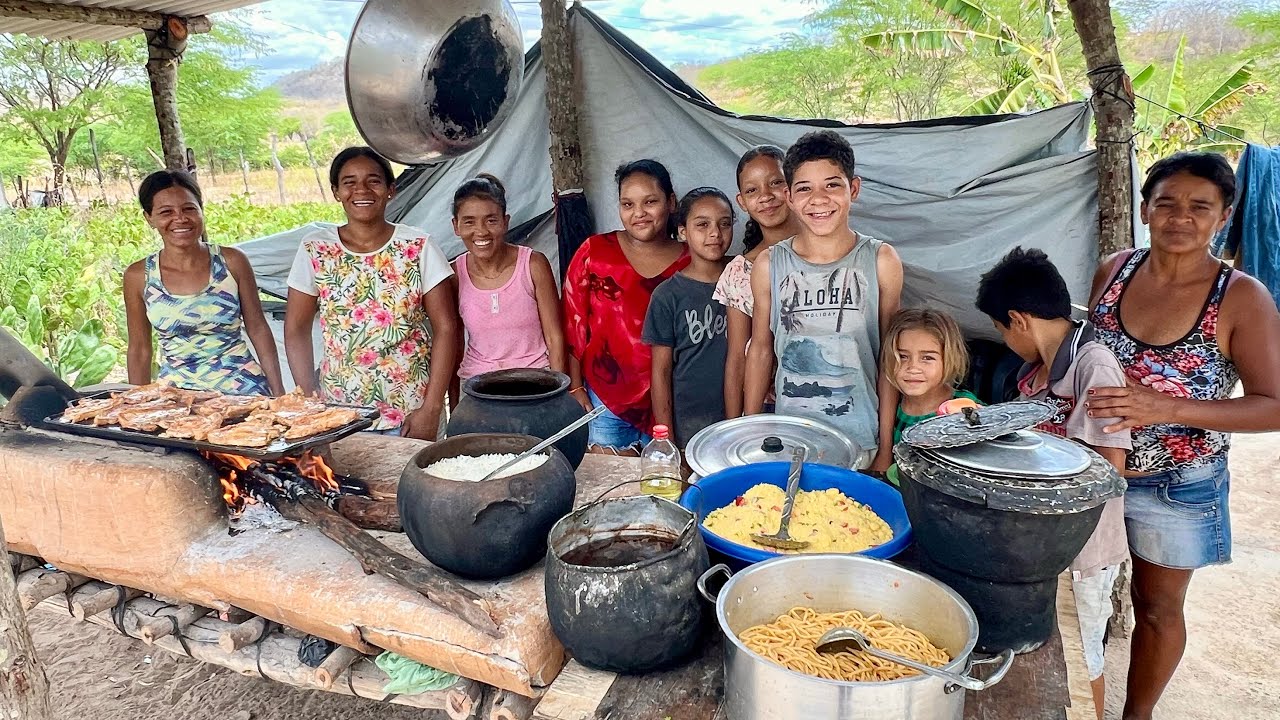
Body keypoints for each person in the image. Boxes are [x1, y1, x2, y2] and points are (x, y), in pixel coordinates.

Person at [1083, 152, 1280, 720]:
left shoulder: (1240, 298)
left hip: (1179, 483)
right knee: (1080, 593)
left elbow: (1274, 405)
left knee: (1158, 607)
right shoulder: (1114, 272)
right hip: (1098, 470)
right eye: (1166, 203)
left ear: (1223, 217)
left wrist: (1164, 405)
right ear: (1145, 208)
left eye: (1200, 206)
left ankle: (1136, 715)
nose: (1179, 217)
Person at [977, 247, 1132, 720]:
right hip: (1042, 543)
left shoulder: (1093, 366)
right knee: (1056, 643)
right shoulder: (1035, 374)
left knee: (1084, 654)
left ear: (1019, 320)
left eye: (1002, 330)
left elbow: (1107, 468)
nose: (1005, 342)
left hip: (1082, 548)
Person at [743, 130, 903, 469]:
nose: (819, 199)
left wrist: (886, 447)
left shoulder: (880, 260)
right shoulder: (770, 265)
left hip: (863, 441)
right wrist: (749, 430)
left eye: (832, 185)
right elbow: (760, 349)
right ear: (789, 196)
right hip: (791, 444)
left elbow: (890, 360)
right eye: (804, 188)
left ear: (853, 189)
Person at [284, 146, 460, 439]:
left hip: (410, 412)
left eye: (373, 180)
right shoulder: (316, 249)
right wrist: (309, 400)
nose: (361, 190)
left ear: (391, 190)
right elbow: (296, 328)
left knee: (410, 485)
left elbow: (446, 327)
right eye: (349, 182)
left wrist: (430, 410)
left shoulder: (417, 246)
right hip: (340, 414)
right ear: (336, 191)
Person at [562, 159, 690, 455]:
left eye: (650, 202)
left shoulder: (692, 260)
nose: (639, 213)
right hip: (606, 400)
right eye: (628, 204)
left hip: (672, 401)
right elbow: (573, 322)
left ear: (671, 203)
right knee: (612, 485)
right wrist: (575, 387)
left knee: (664, 486)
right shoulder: (596, 252)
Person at [123, 170, 284, 396]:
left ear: (201, 210)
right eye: (166, 212)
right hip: (175, 394)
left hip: (242, 388)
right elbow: (139, 349)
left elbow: (258, 329)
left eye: (189, 209)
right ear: (149, 218)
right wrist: (138, 406)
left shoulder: (232, 262)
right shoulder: (139, 276)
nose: (180, 218)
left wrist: (278, 393)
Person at [450, 173, 566, 384]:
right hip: (479, 386)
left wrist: (557, 394)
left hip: (535, 380)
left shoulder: (533, 265)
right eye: (469, 222)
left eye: (491, 220)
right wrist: (456, 401)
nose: (481, 231)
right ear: (456, 226)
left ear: (505, 222)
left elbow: (554, 337)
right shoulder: (455, 275)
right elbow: (454, 343)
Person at [714, 145, 801, 417]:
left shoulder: (828, 256)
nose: (766, 196)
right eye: (752, 190)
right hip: (765, 407)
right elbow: (737, 359)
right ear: (742, 202)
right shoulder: (740, 272)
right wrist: (734, 426)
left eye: (776, 183)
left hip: (825, 399)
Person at [643, 187, 733, 448]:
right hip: (690, 422)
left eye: (724, 223)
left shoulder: (745, 279)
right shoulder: (668, 295)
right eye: (702, 225)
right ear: (683, 231)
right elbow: (660, 372)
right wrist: (667, 439)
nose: (715, 233)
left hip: (742, 415)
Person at [881, 309, 978, 447]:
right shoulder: (888, 409)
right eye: (902, 356)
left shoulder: (966, 408)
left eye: (927, 358)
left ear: (950, 359)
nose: (913, 368)